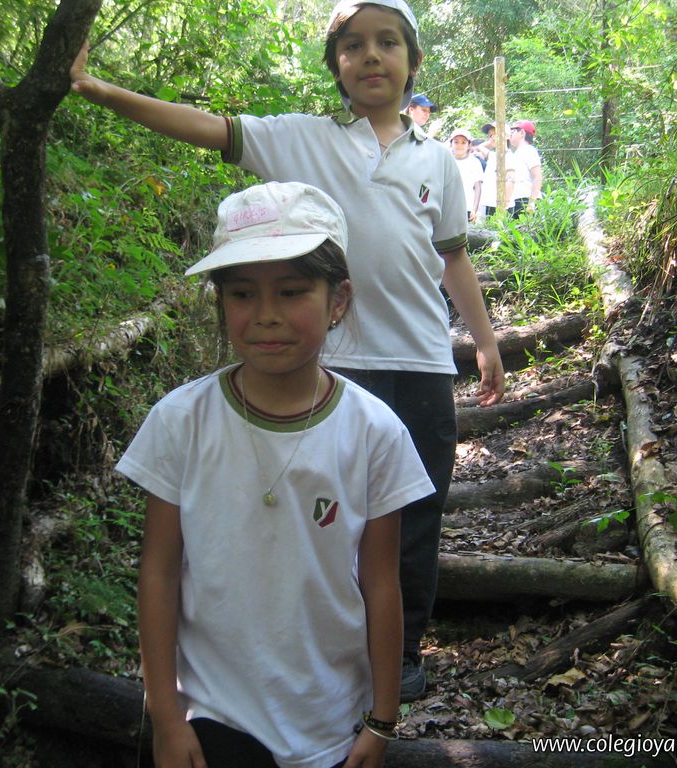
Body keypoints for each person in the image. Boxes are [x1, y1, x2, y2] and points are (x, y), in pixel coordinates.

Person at [71, 0, 506, 703]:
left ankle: (400, 654)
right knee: (331, 522)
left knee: (416, 517)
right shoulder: (302, 139)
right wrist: (97, 89)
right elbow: (210, 128)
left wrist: (482, 343)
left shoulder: (438, 161)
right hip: (336, 365)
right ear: (335, 65)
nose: (371, 56)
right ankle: (329, 651)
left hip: (424, 362)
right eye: (353, 45)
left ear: (413, 61)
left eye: (388, 42)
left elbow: (452, 256)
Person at [117, 181, 435, 767]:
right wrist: (165, 714)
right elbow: (159, 570)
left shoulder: (374, 432)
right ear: (221, 301)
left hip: (327, 719)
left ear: (338, 300)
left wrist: (383, 719)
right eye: (242, 294)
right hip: (209, 716)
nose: (266, 315)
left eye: (291, 292)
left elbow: (381, 583)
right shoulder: (183, 420)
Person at [448, 128, 482, 223]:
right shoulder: (446, 160)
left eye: (463, 143)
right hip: (448, 208)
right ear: (451, 144)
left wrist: (475, 209)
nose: (459, 146)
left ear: (469, 145)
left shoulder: (474, 162)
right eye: (456, 142)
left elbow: (478, 187)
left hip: (467, 207)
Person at [508, 120, 542, 216]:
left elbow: (537, 177)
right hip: (515, 201)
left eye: (513, 131)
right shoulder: (515, 152)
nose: (510, 134)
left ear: (522, 133)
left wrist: (531, 203)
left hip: (526, 200)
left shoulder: (529, 151)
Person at [479, 139, 517, 219]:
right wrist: (491, 141)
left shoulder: (508, 156)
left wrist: (504, 205)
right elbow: (480, 147)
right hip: (490, 204)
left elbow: (511, 180)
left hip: (501, 206)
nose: (493, 137)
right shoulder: (493, 155)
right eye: (490, 135)